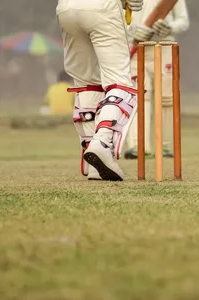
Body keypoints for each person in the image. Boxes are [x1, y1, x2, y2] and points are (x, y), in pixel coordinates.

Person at [57, 0, 143, 182]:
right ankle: (102, 143)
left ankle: (94, 163)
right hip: (101, 7)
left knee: (87, 83)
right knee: (120, 83)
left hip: (66, 8)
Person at [123, 0, 190, 160]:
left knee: (166, 98)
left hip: (165, 46)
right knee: (138, 97)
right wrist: (131, 31)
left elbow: (183, 20)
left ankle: (165, 145)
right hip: (136, 47)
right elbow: (118, 17)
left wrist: (170, 28)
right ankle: (137, 145)